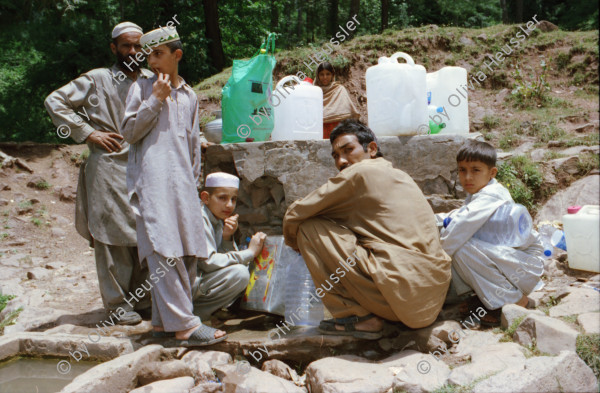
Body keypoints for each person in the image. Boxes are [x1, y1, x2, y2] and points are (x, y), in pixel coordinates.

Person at [283, 119, 451, 339]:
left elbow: (294, 214)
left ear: (372, 149)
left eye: (348, 150)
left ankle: (357, 317)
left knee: (308, 228)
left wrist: (296, 243)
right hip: (431, 301)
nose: (341, 161)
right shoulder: (400, 175)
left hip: (402, 299)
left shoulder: (360, 172)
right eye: (335, 156)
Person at [121, 26, 225, 346]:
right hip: (152, 182)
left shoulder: (190, 95)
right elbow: (128, 132)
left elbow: (193, 143)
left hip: (182, 184)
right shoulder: (141, 88)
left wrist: (194, 184)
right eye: (148, 54)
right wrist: (155, 100)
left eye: (158, 54)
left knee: (186, 250)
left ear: (176, 55)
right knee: (163, 248)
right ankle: (185, 326)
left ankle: (161, 324)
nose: (151, 61)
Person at [44, 22, 153, 325]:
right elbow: (54, 101)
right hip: (108, 168)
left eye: (137, 46)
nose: (132, 51)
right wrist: (88, 132)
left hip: (145, 167)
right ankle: (117, 306)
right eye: (126, 46)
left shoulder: (151, 78)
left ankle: (142, 300)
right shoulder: (97, 78)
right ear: (114, 48)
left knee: (144, 234)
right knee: (112, 238)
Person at [435, 140, 544, 326]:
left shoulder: (490, 196)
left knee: (460, 248)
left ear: (492, 172)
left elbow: (455, 234)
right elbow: (456, 217)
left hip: (524, 265)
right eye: (462, 170)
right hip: (510, 261)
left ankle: (515, 300)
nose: (467, 177)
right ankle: (481, 298)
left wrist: (430, 262)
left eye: (475, 170)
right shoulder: (480, 193)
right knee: (459, 244)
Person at [194, 172, 267, 320]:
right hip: (189, 285)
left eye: (233, 199)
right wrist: (250, 252)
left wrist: (227, 237)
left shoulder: (219, 219)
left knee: (245, 268)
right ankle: (196, 315)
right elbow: (208, 263)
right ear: (205, 198)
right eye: (222, 198)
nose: (229, 205)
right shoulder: (199, 219)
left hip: (203, 282)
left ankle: (212, 310)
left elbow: (224, 259)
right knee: (239, 273)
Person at [314, 62, 360, 139]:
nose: (325, 77)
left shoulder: (339, 89)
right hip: (318, 130)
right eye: (322, 74)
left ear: (332, 75)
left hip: (337, 130)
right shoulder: (313, 91)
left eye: (328, 74)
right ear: (317, 76)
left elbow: (346, 112)